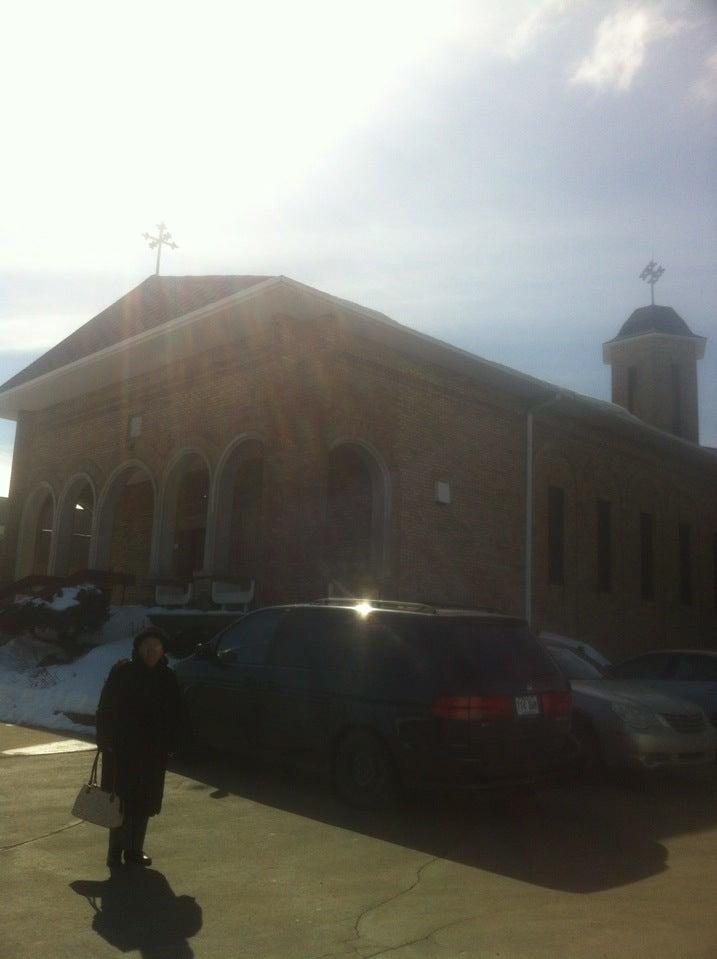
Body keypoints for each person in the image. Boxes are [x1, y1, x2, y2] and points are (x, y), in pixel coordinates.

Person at [96, 626, 185, 868]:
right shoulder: (122, 672)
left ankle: (135, 850)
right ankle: (115, 851)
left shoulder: (167, 677)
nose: (151, 652)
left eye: (156, 648)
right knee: (120, 801)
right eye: (147, 648)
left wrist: (174, 742)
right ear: (138, 649)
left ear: (163, 651)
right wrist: (105, 738)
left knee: (145, 801)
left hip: (153, 753)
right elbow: (105, 708)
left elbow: (176, 713)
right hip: (122, 750)